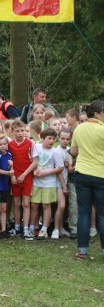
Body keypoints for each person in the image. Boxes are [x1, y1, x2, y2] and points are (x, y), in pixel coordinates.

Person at [69, 100, 104, 259]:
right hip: (100, 174)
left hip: (82, 173)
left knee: (84, 212)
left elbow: (74, 151)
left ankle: (82, 250)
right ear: (96, 113)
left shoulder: (79, 128)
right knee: (102, 215)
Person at [29, 128, 64, 240]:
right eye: (49, 138)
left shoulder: (55, 152)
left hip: (49, 183)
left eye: (54, 139)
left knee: (46, 205)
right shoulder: (36, 147)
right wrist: (33, 171)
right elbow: (31, 161)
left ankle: (44, 229)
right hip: (36, 181)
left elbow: (60, 167)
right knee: (34, 205)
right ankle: (32, 227)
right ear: (42, 138)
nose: (52, 141)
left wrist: (46, 172)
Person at [7, 120, 39, 240]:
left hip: (26, 177)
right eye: (17, 131)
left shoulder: (30, 144)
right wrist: (12, 175)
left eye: (22, 131)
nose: (20, 133)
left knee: (26, 203)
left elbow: (35, 161)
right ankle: (16, 227)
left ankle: (26, 228)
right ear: (12, 131)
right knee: (16, 203)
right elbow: (9, 161)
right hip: (15, 177)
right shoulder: (10, 145)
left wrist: (24, 174)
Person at [0, 134, 14, 239]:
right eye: (0, 144)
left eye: (4, 144)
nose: (3, 146)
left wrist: (11, 166)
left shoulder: (9, 154)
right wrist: (8, 173)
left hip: (6, 185)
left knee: (4, 208)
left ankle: (4, 229)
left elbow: (10, 168)